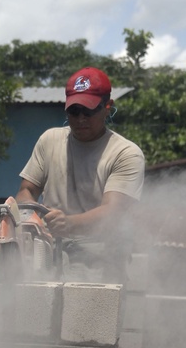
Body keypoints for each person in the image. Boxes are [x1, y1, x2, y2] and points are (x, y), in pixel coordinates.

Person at [15, 67, 145, 276]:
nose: (81, 118)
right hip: (47, 254)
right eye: (74, 111)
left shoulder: (125, 153)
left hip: (101, 260)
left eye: (89, 110)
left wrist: (68, 223)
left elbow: (112, 212)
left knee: (90, 308)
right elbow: (26, 190)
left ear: (107, 107)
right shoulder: (49, 140)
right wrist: (30, 215)